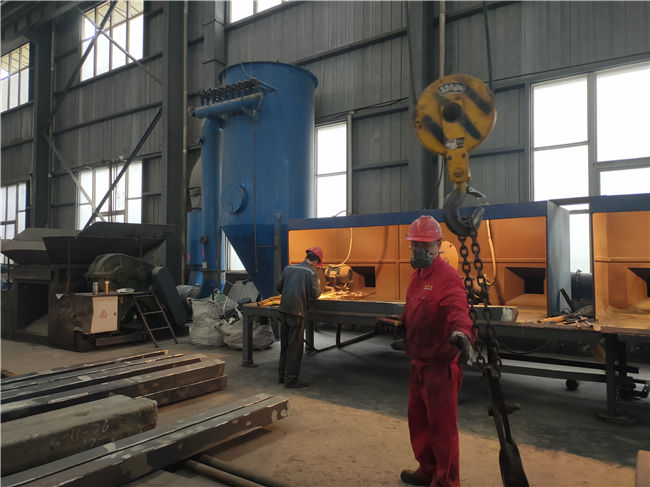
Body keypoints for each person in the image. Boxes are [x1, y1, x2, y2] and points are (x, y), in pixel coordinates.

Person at [399, 215, 474, 487]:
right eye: (415, 245)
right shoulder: (417, 277)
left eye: (426, 245)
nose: (419, 250)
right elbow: (413, 309)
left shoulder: (447, 277)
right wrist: (400, 326)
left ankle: (446, 481)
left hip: (440, 368)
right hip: (418, 363)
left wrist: (462, 332)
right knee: (419, 422)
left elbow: (459, 310)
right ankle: (428, 469)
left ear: (439, 245)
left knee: (442, 429)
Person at [275, 246, 322, 389]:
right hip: (297, 312)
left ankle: (282, 376)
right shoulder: (311, 273)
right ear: (315, 262)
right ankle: (291, 380)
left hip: (284, 310)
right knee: (295, 347)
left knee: (285, 344)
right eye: (317, 265)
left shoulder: (288, 268)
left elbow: (278, 287)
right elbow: (315, 294)